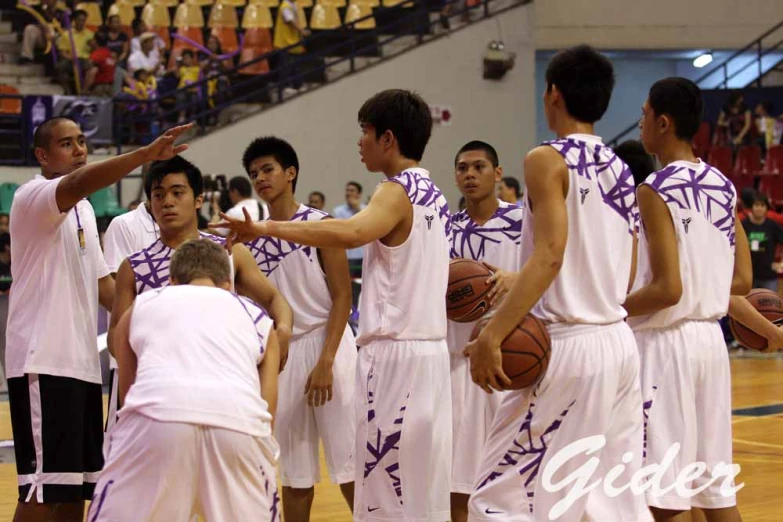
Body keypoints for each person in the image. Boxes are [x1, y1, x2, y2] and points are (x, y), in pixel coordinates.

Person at [212, 89, 452, 522]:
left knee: (375, 482)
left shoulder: (395, 191)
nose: (359, 142)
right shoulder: (432, 192)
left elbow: (351, 234)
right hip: (425, 350)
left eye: (365, 132)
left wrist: (267, 227)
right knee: (413, 483)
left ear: (387, 138)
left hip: (390, 351)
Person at [466, 45, 643, 521]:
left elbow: (550, 255)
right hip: (619, 342)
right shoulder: (621, 169)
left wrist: (494, 333)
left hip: (568, 346)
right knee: (609, 502)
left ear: (553, 94)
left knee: (500, 498)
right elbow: (623, 267)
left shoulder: (545, 158)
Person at [5, 117, 190, 522]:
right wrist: (144, 155)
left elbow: (105, 287)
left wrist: (160, 319)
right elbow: (76, 183)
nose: (79, 150)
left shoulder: (85, 211)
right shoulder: (33, 196)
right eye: (66, 144)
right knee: (41, 493)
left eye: (82, 142)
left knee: (74, 490)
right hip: (43, 362)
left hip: (83, 368)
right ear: (42, 156)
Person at [628, 76, 753, 521]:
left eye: (643, 114)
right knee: (715, 493)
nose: (639, 123)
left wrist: (610, 311)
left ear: (662, 122)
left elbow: (666, 290)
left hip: (666, 351)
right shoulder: (724, 185)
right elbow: (740, 280)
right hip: (711, 347)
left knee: (662, 497)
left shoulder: (653, 187)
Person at [89, 239, 281, 521]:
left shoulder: (143, 305)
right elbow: (268, 409)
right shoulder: (257, 317)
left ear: (172, 280)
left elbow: (128, 393)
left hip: (157, 418)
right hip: (239, 423)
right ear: (228, 283)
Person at [241, 136, 357, 521]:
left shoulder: (321, 224)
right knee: (294, 475)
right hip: (285, 351)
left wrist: (326, 361)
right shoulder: (251, 238)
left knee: (350, 467)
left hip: (330, 343)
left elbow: (343, 296)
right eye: (254, 173)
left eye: (268, 169)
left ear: (290, 173)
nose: (260, 178)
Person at [109, 156, 293, 378]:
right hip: (160, 383)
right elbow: (115, 338)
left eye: (177, 193)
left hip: (222, 378)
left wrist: (283, 329)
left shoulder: (229, 252)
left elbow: (274, 299)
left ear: (198, 200)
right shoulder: (134, 267)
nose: (167, 202)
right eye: (158, 195)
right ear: (150, 203)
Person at [446, 140, 522, 522]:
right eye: (462, 168)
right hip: (459, 365)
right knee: (458, 482)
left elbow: (553, 270)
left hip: (514, 365)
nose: (470, 174)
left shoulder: (525, 222)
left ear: (497, 173)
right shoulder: (444, 229)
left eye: (478, 167)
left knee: (514, 478)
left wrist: (517, 277)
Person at [101, 163, 159, 454]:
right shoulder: (124, 225)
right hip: (134, 357)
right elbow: (114, 288)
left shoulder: (193, 234)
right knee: (124, 451)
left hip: (177, 362)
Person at [742, 192, 783, 291]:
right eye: (756, 205)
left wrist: (781, 263)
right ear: (751, 207)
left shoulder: (772, 226)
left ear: (766, 208)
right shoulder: (744, 225)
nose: (759, 208)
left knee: (770, 306)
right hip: (748, 276)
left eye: (762, 205)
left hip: (768, 276)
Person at [333, 181, 366, 277]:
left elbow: (365, 227)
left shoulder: (366, 210)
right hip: (345, 255)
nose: (348, 193)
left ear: (359, 194)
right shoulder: (338, 210)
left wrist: (357, 209)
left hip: (362, 254)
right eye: (347, 190)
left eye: (352, 191)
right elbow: (343, 229)